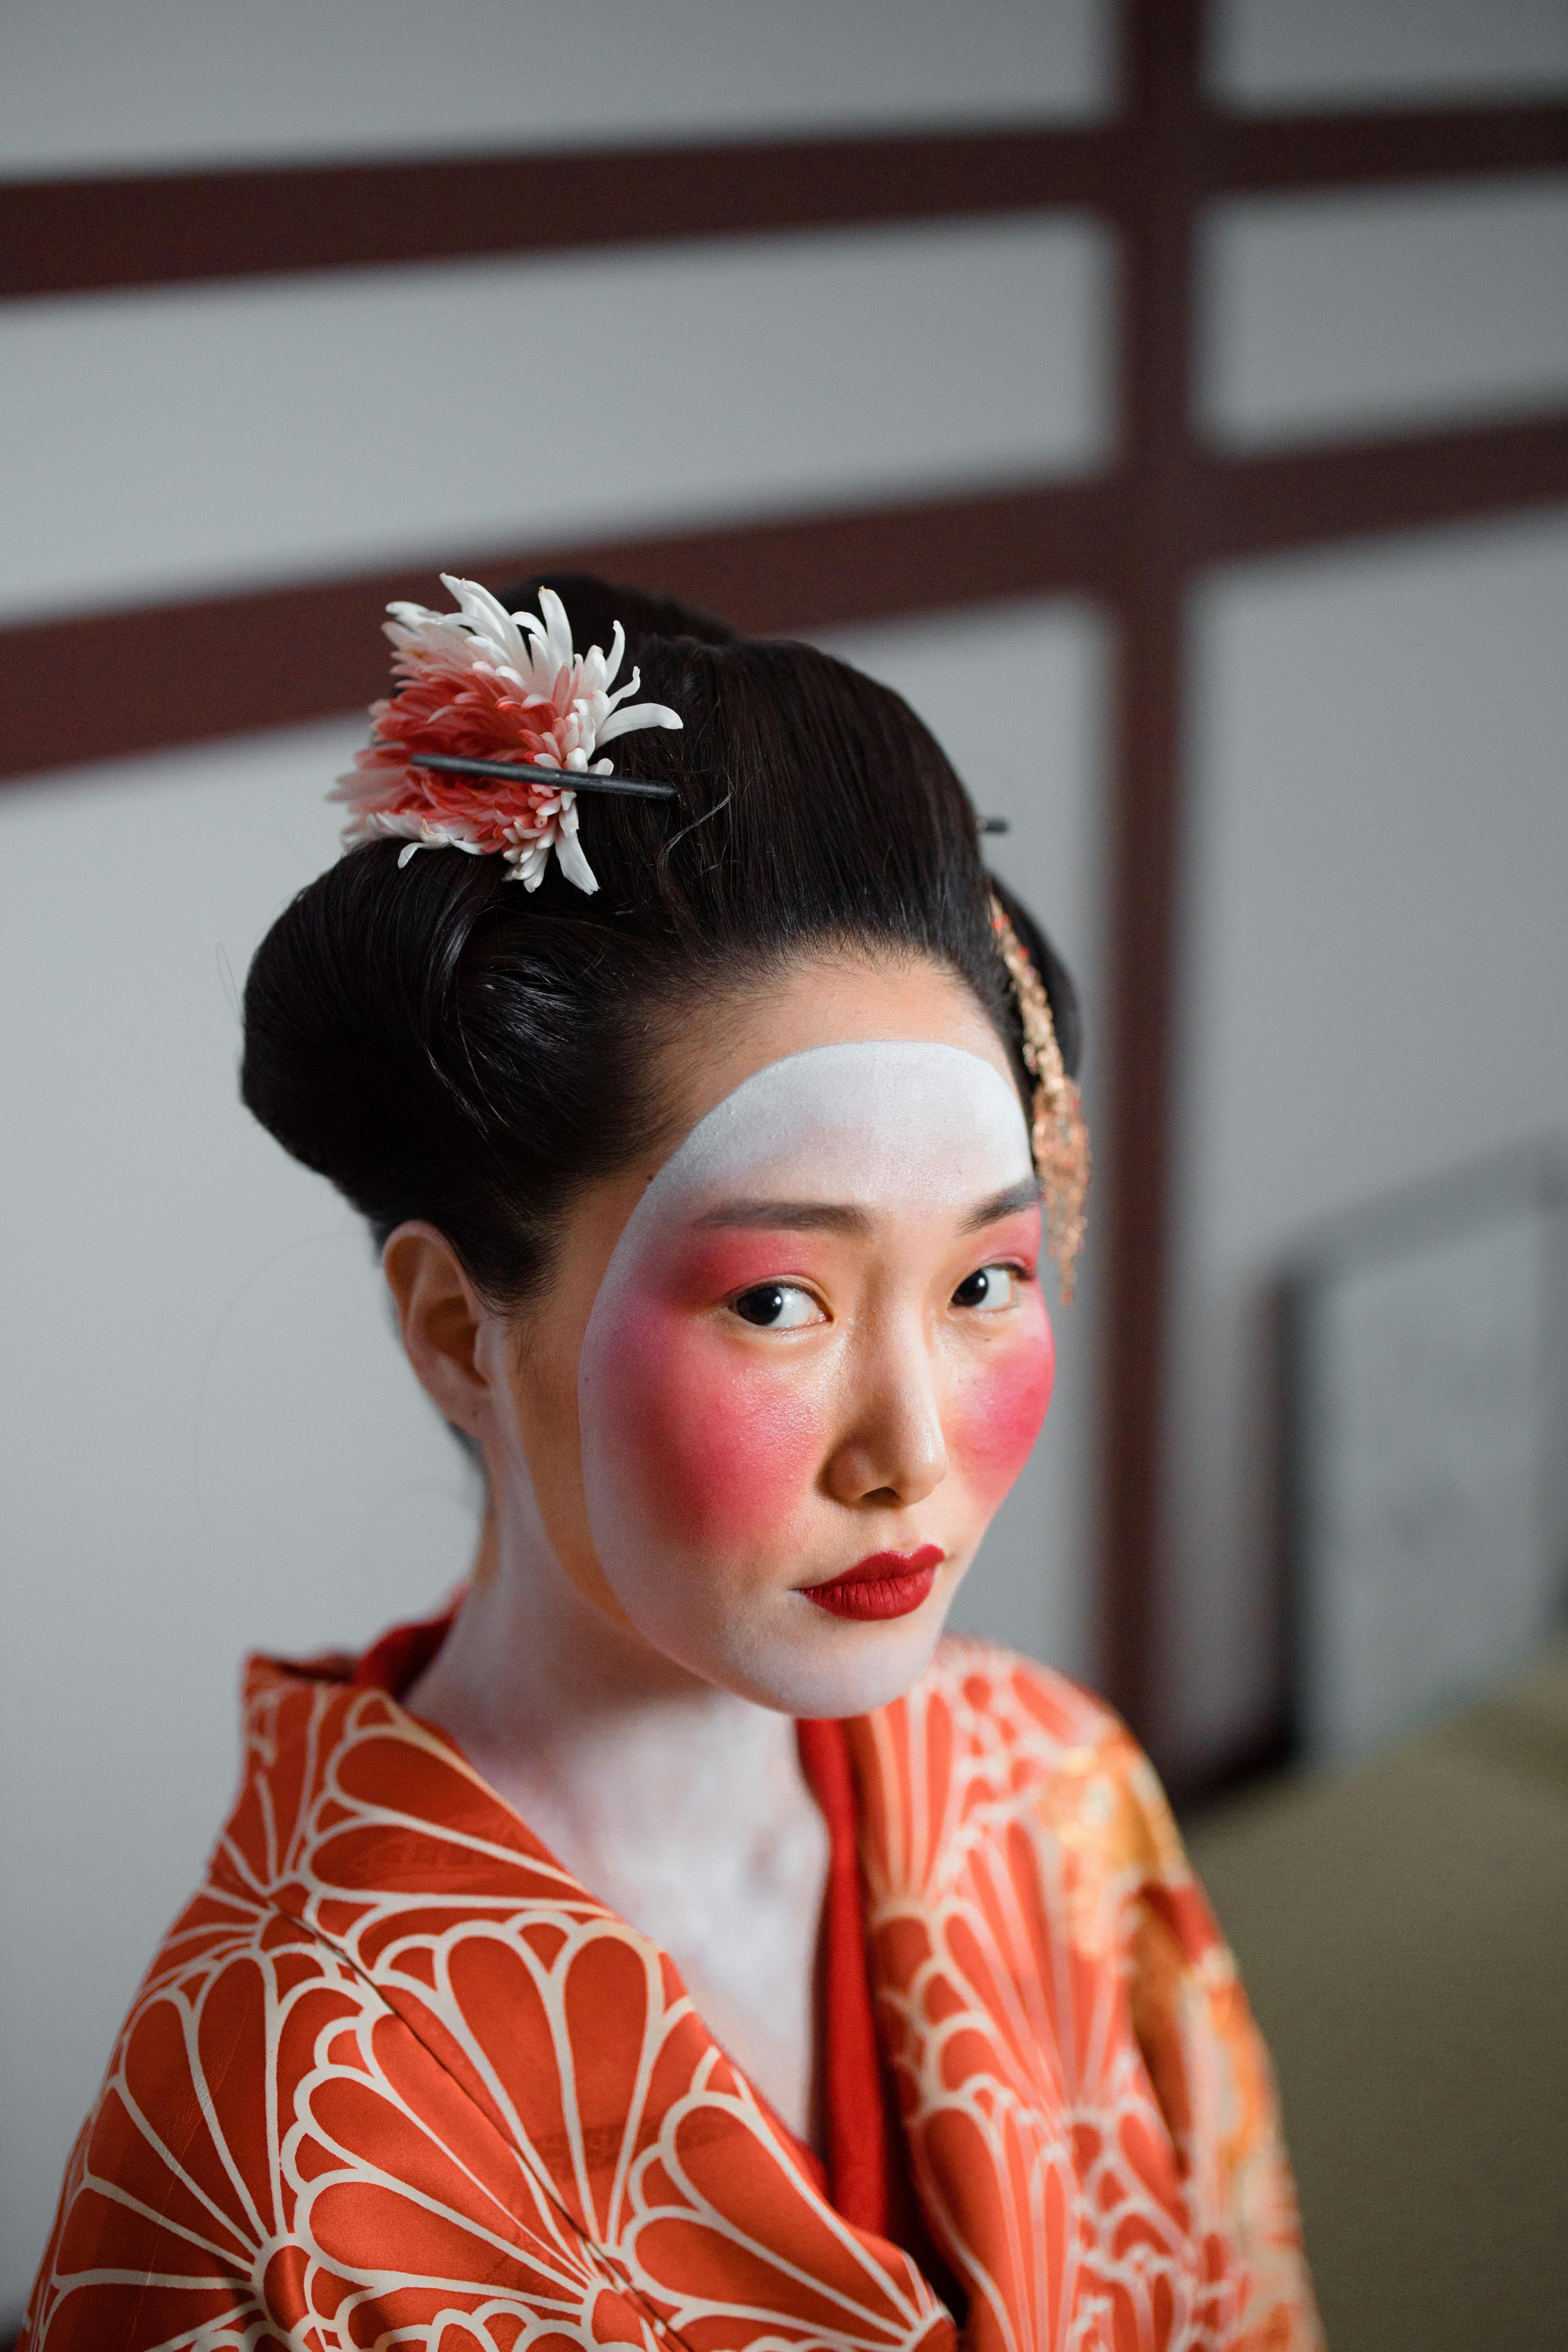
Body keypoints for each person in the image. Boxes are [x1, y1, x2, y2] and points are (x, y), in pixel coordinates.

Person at [21, 575, 1319, 2351]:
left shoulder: (1060, 1794)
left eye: (981, 1283)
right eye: (778, 1299)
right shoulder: (272, 2110)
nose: (911, 1452)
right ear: (460, 1331)